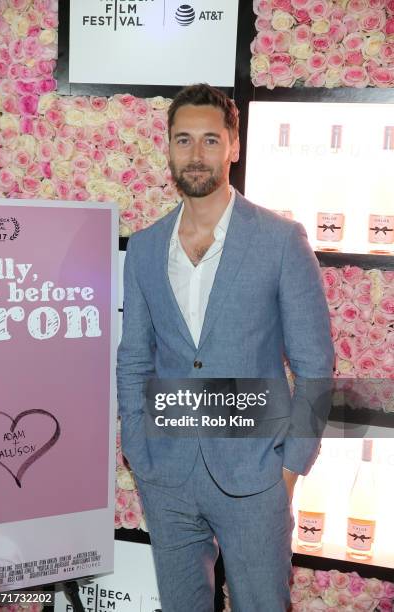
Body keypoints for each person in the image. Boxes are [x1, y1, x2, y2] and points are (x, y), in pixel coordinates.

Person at [117, 83, 334, 612]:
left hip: (256, 473)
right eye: (184, 140)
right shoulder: (145, 247)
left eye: (211, 140)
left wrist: (290, 469)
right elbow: (135, 359)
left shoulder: (281, 241)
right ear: (167, 147)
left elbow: (316, 366)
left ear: (234, 146)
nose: (197, 155)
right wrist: (137, 449)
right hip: (165, 473)